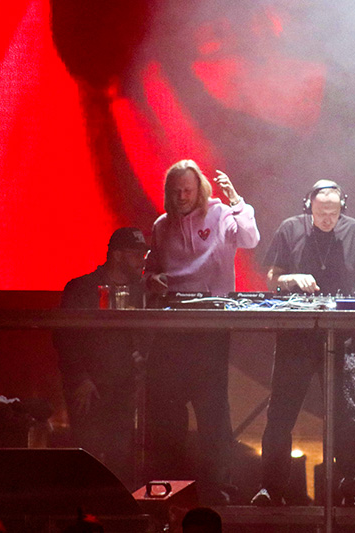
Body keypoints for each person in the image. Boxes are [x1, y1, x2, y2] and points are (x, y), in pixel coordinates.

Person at [251, 180, 355, 507]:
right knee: (281, 414)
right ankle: (271, 487)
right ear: (308, 205)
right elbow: (271, 279)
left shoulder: (353, 230)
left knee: (348, 415)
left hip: (340, 334)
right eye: (321, 212)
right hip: (296, 335)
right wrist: (291, 279)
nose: (327, 218)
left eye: (333, 213)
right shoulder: (290, 228)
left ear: (342, 208)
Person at [144, 159, 260, 504]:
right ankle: (168, 488)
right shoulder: (161, 225)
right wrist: (153, 280)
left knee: (213, 410)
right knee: (168, 412)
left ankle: (217, 487)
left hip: (211, 322)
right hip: (172, 324)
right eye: (176, 191)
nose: (182, 196)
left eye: (188, 190)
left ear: (200, 191)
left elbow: (251, 238)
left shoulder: (221, 214)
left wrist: (237, 200)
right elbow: (149, 271)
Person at [53, 227, 149, 489]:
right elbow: (65, 338)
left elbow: (147, 336)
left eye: (143, 255)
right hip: (89, 389)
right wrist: (80, 378)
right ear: (117, 255)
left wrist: (139, 369)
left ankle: (121, 507)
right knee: (88, 457)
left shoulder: (141, 291)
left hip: (123, 389)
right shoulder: (81, 288)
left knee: (122, 457)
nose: (142, 261)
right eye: (136, 254)